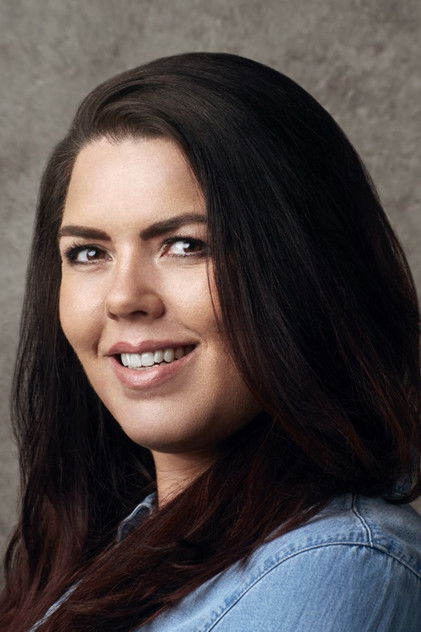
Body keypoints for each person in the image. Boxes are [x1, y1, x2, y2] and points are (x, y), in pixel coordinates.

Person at [0, 51, 420, 632]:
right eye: (89, 252)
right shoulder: (97, 559)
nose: (124, 297)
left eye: (186, 245)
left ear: (306, 271)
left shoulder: (337, 565)